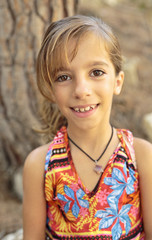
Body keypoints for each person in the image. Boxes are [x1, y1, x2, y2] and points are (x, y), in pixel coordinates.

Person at [23, 15, 152, 240]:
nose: (81, 90)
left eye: (96, 72)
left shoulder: (141, 157)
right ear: (52, 90)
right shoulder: (40, 166)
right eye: (64, 77)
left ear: (118, 81)